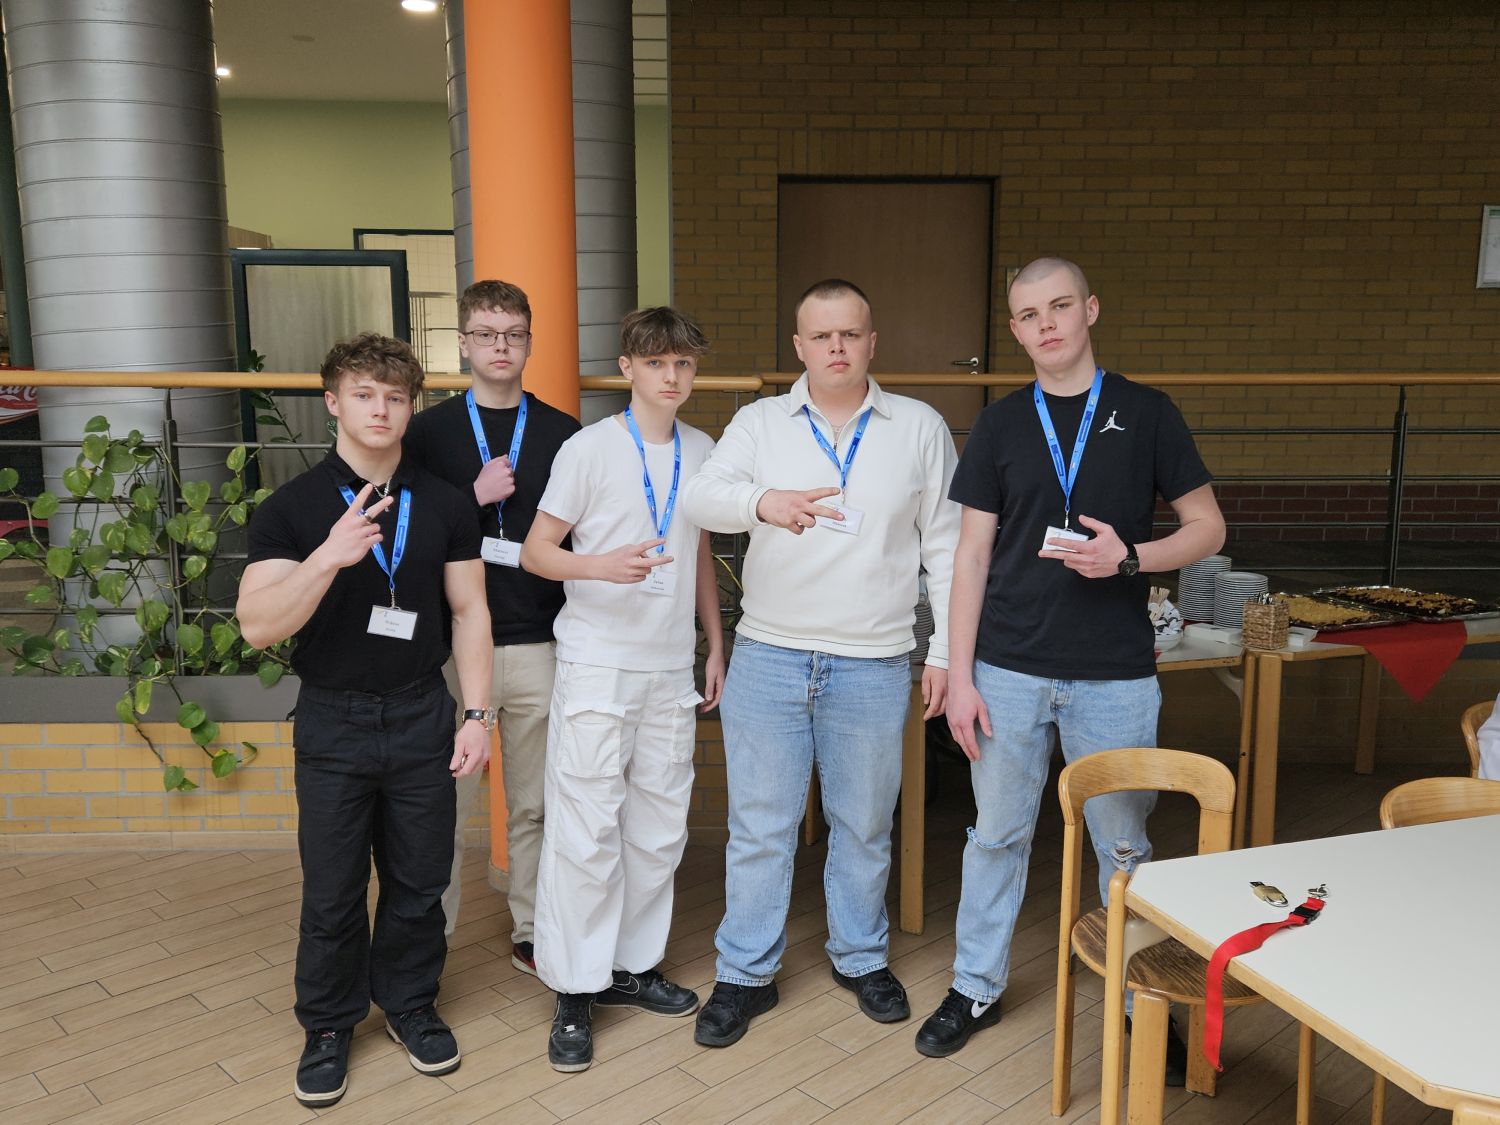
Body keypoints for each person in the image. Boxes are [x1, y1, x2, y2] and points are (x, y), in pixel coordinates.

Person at [915, 257, 1225, 1066]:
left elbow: (1208, 527)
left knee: (1122, 845)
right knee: (995, 836)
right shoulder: (999, 423)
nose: (1045, 323)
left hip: (1115, 674)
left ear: (1090, 309)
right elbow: (970, 555)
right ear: (1015, 330)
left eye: (1059, 306)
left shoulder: (1147, 412)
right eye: (1028, 314)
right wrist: (962, 676)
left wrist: (1133, 557)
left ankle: (1136, 998)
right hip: (1008, 669)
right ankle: (974, 985)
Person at [680, 278, 959, 1048]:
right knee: (759, 826)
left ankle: (860, 955)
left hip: (873, 660)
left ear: (872, 342)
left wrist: (942, 650)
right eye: (822, 335)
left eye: (851, 333)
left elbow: (947, 546)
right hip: (769, 654)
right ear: (799, 347)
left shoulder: (919, 426)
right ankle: (745, 971)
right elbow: (700, 498)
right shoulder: (760, 422)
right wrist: (761, 502)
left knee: (863, 823)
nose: (837, 346)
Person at [238, 333, 493, 1108]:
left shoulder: (444, 502)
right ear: (333, 402)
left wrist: (476, 713)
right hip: (334, 719)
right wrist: (329, 555)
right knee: (333, 888)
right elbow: (258, 625)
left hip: (422, 711)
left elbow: (469, 610)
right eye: (363, 394)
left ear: (410, 407)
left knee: (421, 880)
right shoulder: (291, 509)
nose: (380, 409)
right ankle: (328, 1022)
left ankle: (411, 1002)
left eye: (395, 396)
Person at [520, 306, 725, 1072]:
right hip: (598, 663)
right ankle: (574, 987)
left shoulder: (703, 449)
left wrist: (715, 641)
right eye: (658, 362)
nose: (672, 376)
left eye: (684, 364)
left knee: (659, 826)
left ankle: (630, 966)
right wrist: (598, 566)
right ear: (628, 367)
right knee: (586, 827)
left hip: (669, 665)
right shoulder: (588, 448)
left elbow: (697, 551)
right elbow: (537, 551)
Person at [404, 279, 580, 971]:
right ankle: (430, 942)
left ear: (530, 343)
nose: (499, 346)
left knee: (536, 804)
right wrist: (470, 499)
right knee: (442, 806)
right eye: (485, 334)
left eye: (512, 334)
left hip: (541, 639)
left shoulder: (564, 433)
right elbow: (407, 533)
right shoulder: (427, 433)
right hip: (454, 649)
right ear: (463, 344)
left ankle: (531, 929)